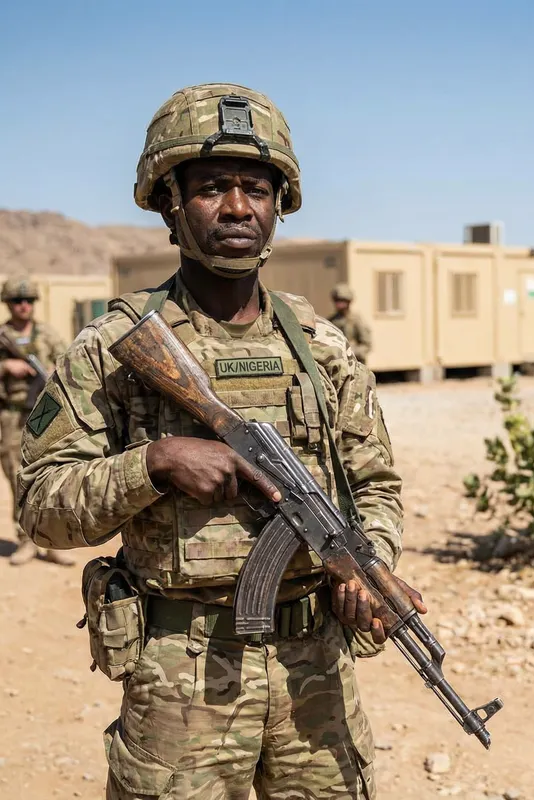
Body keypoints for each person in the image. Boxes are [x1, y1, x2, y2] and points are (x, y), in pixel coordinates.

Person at [18, 83, 423, 799]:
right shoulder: (113, 348)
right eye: (211, 187)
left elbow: (376, 488)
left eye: (256, 189)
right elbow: (40, 507)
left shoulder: (323, 348)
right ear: (169, 201)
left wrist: (371, 564)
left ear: (279, 205)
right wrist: (154, 462)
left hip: (315, 680)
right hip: (183, 681)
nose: (238, 207)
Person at [0, 276, 73, 567]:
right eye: (18, 301)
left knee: (49, 474)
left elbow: (68, 361)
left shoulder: (47, 334)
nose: (23, 306)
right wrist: (7, 365)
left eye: (28, 300)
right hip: (11, 416)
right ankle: (25, 540)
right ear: (8, 304)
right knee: (17, 478)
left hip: (43, 415)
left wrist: (55, 369)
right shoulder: (2, 336)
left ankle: (51, 541)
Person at [329, 283, 372, 364]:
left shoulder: (356, 319)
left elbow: (367, 344)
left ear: (348, 302)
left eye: (342, 301)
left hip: (355, 363)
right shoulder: (332, 320)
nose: (339, 304)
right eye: (337, 300)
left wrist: (352, 352)